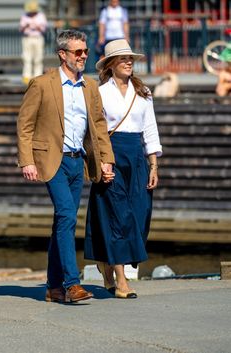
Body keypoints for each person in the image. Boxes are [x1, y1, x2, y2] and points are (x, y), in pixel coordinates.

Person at [17, 29, 115, 303]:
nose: (83, 56)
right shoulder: (42, 84)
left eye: (85, 51)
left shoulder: (90, 86)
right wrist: (26, 160)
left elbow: (98, 125)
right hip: (52, 160)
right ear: (63, 54)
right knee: (66, 216)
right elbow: (24, 125)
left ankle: (53, 286)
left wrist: (106, 159)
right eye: (78, 52)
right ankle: (72, 284)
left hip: (77, 162)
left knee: (63, 222)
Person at [84, 39, 162, 299]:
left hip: (137, 158)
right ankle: (120, 280)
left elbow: (150, 128)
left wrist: (153, 164)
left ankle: (106, 264)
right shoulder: (100, 92)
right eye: (123, 59)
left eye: (131, 59)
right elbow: (95, 131)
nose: (129, 62)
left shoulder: (143, 92)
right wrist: (102, 161)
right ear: (110, 65)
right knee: (119, 218)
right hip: (112, 154)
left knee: (140, 214)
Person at [19, 0, 47, 85]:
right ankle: (27, 76)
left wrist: (37, 26)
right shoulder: (24, 16)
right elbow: (21, 29)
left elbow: (44, 29)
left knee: (38, 58)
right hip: (27, 38)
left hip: (38, 38)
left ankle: (38, 76)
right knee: (27, 58)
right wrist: (27, 25)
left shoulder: (41, 16)